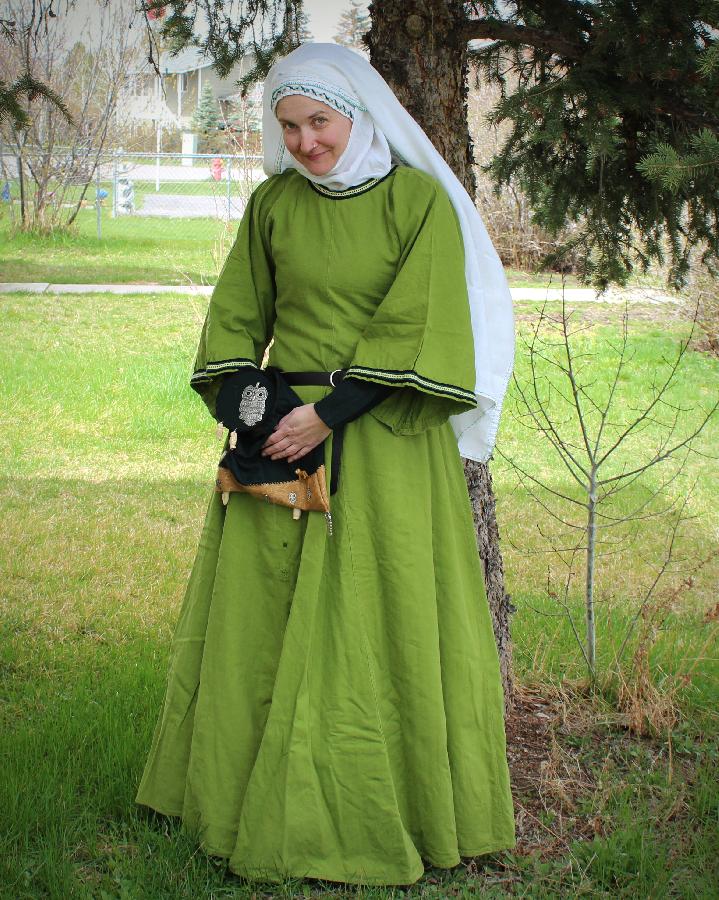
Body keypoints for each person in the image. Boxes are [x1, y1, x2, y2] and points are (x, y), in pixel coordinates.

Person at [135, 42, 516, 886]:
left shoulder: (415, 203)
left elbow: (421, 320)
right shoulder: (272, 206)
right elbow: (236, 317)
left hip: (381, 446)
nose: (307, 141)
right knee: (264, 622)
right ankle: (243, 799)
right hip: (281, 443)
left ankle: (395, 809)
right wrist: (259, 412)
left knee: (379, 616)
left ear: (357, 117)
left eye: (320, 122)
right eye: (290, 127)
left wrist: (330, 415)